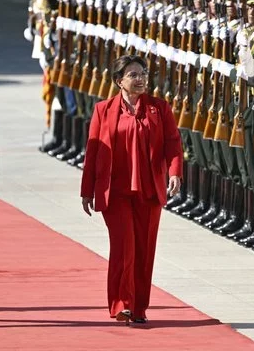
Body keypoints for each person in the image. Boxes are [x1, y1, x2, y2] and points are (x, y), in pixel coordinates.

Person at [80, 55, 183, 324]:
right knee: (124, 247)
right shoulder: (103, 110)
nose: (141, 79)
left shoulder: (159, 108)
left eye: (143, 74)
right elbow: (93, 151)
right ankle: (121, 304)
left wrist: (174, 173)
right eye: (133, 75)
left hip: (148, 191)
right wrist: (87, 190)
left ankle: (139, 308)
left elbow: (173, 144)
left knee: (144, 250)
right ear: (119, 81)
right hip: (114, 191)